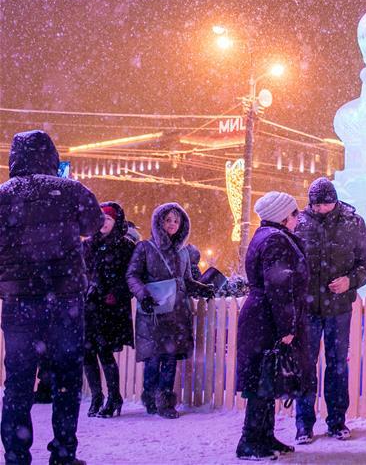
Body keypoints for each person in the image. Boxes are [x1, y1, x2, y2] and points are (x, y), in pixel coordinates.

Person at [0, 130, 104, 465]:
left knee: (17, 380)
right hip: (65, 299)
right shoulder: (70, 190)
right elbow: (95, 223)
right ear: (51, 155)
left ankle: (16, 454)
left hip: (18, 301)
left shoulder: (4, 195)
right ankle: (63, 451)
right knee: (66, 377)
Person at [292, 177, 366, 444]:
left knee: (338, 365)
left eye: (326, 205)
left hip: (338, 308)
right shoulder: (299, 223)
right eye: (317, 206)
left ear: (335, 201)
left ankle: (337, 421)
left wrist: (350, 281)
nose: (321, 210)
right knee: (306, 366)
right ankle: (304, 424)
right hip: (307, 308)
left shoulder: (352, 223)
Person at [235, 192, 311, 460]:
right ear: (282, 216)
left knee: (265, 378)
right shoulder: (276, 240)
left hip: (260, 317)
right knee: (262, 380)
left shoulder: (266, 236)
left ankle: (264, 437)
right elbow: (280, 287)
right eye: (294, 213)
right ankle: (249, 440)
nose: (297, 217)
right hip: (266, 319)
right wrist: (287, 327)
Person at [126, 203, 215, 419]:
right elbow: (132, 276)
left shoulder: (183, 251)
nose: (172, 224)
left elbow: (185, 280)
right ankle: (151, 396)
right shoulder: (145, 248)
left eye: (176, 220)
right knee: (154, 358)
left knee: (170, 358)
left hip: (177, 313)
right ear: (159, 222)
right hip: (154, 311)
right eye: (168, 220)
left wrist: (202, 288)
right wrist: (143, 295)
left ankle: (165, 401)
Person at [83, 202, 135, 418]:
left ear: (116, 222)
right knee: (86, 352)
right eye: (101, 219)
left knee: (104, 351)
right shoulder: (88, 245)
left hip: (109, 308)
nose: (104, 223)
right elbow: (80, 272)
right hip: (88, 306)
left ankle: (114, 396)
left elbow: (131, 275)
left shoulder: (125, 246)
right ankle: (97, 396)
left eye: (109, 219)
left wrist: (115, 293)